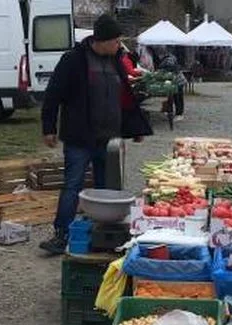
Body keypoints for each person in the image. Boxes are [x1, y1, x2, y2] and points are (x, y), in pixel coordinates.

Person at [39, 14, 151, 255]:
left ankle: (104, 235)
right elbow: (53, 94)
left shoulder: (115, 61)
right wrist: (49, 127)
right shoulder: (74, 60)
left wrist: (136, 128)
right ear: (101, 40)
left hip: (108, 139)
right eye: (115, 41)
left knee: (108, 187)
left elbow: (125, 97)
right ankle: (62, 234)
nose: (118, 45)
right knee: (72, 186)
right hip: (80, 138)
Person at [158, 48, 187, 121]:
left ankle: (179, 114)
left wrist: (162, 72)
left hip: (177, 80)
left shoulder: (169, 59)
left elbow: (170, 68)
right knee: (173, 96)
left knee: (178, 97)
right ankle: (171, 111)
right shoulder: (169, 57)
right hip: (175, 80)